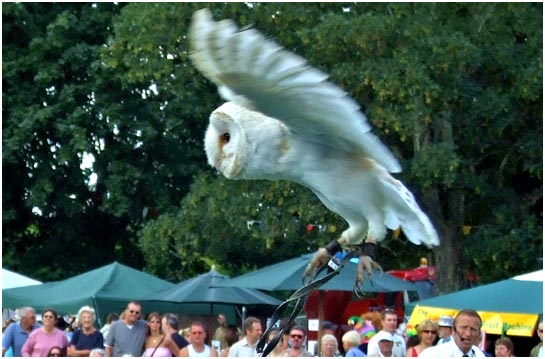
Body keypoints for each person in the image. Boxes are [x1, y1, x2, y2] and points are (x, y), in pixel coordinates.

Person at [419, 309, 486, 357]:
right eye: (463, 328)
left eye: (473, 329)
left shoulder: (479, 355)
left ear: (478, 334)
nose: (468, 333)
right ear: (453, 330)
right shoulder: (432, 355)